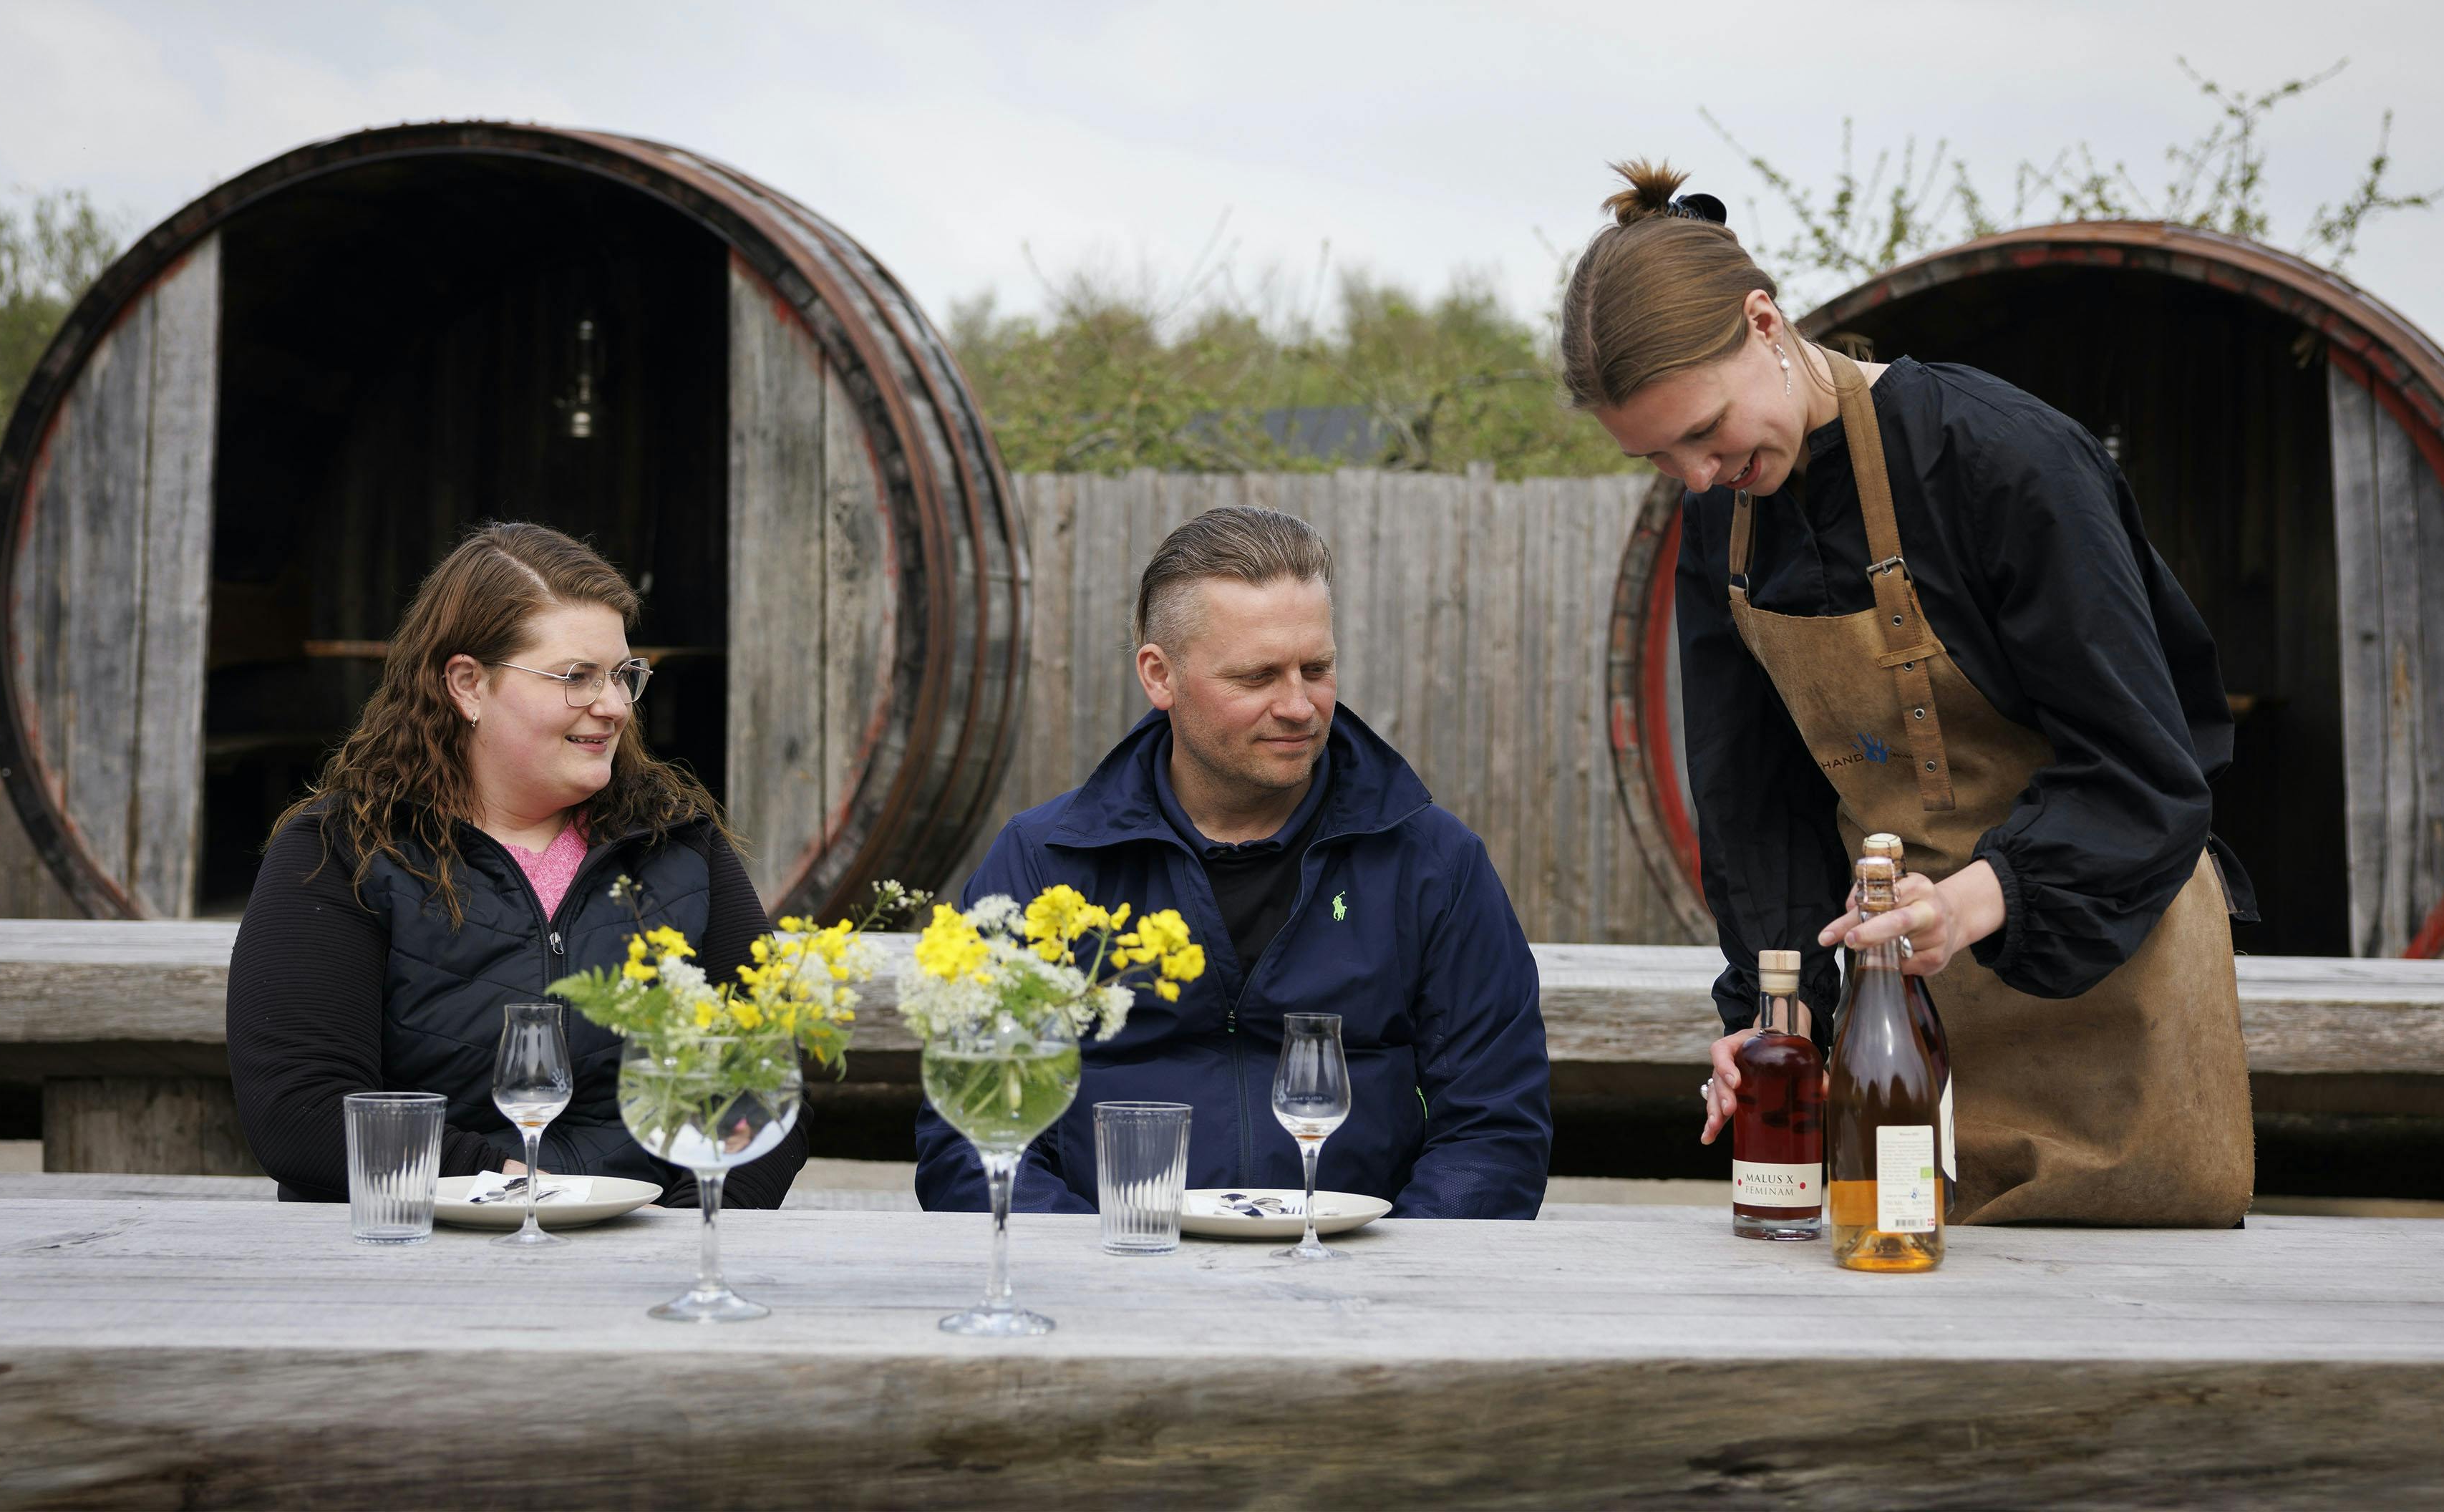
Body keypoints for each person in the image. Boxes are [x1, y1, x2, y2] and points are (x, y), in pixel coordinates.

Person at [1561, 163, 2256, 1227]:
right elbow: (1757, 809)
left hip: (2115, 990)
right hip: (1901, 1018)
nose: (1696, 474)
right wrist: (1776, 1015)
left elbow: (2149, 770)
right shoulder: (1721, 526)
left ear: (1764, 322)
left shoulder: (2003, 459)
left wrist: (1971, 903)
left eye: (1705, 430)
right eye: (1658, 457)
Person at [915, 506, 1552, 1218]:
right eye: (1256, 677)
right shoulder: (1044, 865)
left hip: (1356, 1273)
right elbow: (970, 1133)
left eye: (1317, 669)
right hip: (1107, 1269)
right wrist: (1093, 1266)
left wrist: (1390, 1272)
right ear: (1160, 676)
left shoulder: (1432, 863)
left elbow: (1495, 1132)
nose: (1299, 706)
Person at [227, 522, 805, 1208]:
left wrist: (677, 1235)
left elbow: (766, 1087)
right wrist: (517, 1188)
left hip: (648, 1242)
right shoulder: (344, 850)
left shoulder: (678, 843)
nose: (615, 706)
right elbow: (301, 1111)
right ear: (468, 685)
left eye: (624, 676)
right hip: (414, 1248)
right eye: (576, 677)